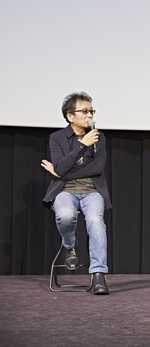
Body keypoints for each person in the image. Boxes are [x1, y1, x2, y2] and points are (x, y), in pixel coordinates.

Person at [41, 92, 111, 295]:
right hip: (65, 190)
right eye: (85, 111)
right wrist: (82, 146)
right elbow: (61, 166)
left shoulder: (99, 136)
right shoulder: (57, 138)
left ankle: (98, 274)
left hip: (92, 190)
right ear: (70, 115)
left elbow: (97, 168)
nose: (89, 115)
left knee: (96, 221)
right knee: (65, 215)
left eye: (92, 111)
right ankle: (70, 245)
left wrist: (60, 172)